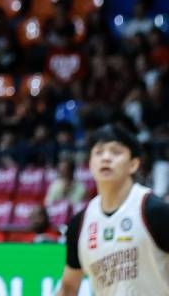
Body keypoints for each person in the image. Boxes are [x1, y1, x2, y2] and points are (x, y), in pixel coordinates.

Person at [57, 124, 169, 295]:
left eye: (115, 152)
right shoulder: (79, 225)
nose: (106, 158)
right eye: (99, 152)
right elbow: (69, 287)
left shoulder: (154, 211)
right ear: (90, 164)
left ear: (133, 164)